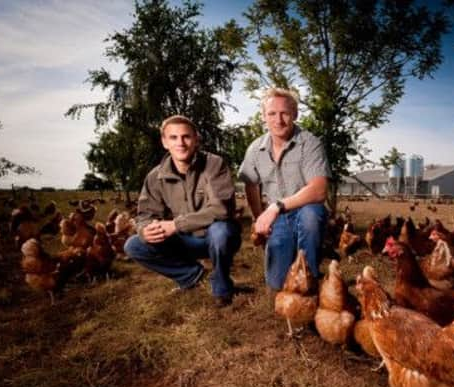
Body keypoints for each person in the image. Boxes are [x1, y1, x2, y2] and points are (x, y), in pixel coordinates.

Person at [124, 115, 241, 307]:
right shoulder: (155, 176)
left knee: (221, 231)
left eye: (186, 137)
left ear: (196, 139)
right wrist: (145, 230)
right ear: (164, 142)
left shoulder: (214, 164)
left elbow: (221, 209)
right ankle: (192, 276)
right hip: (185, 241)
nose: (181, 143)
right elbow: (145, 215)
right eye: (173, 137)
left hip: (218, 237)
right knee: (134, 245)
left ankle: (222, 287)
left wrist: (176, 224)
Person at [238, 87, 330, 290]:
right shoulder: (255, 149)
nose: (278, 120)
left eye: (285, 113)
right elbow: (251, 185)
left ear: (295, 114)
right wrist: (258, 220)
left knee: (311, 214)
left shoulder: (310, 143)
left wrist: (275, 207)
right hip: (277, 219)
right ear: (263, 116)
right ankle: (291, 260)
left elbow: (319, 190)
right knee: (277, 284)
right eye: (272, 114)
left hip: (304, 211)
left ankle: (310, 277)